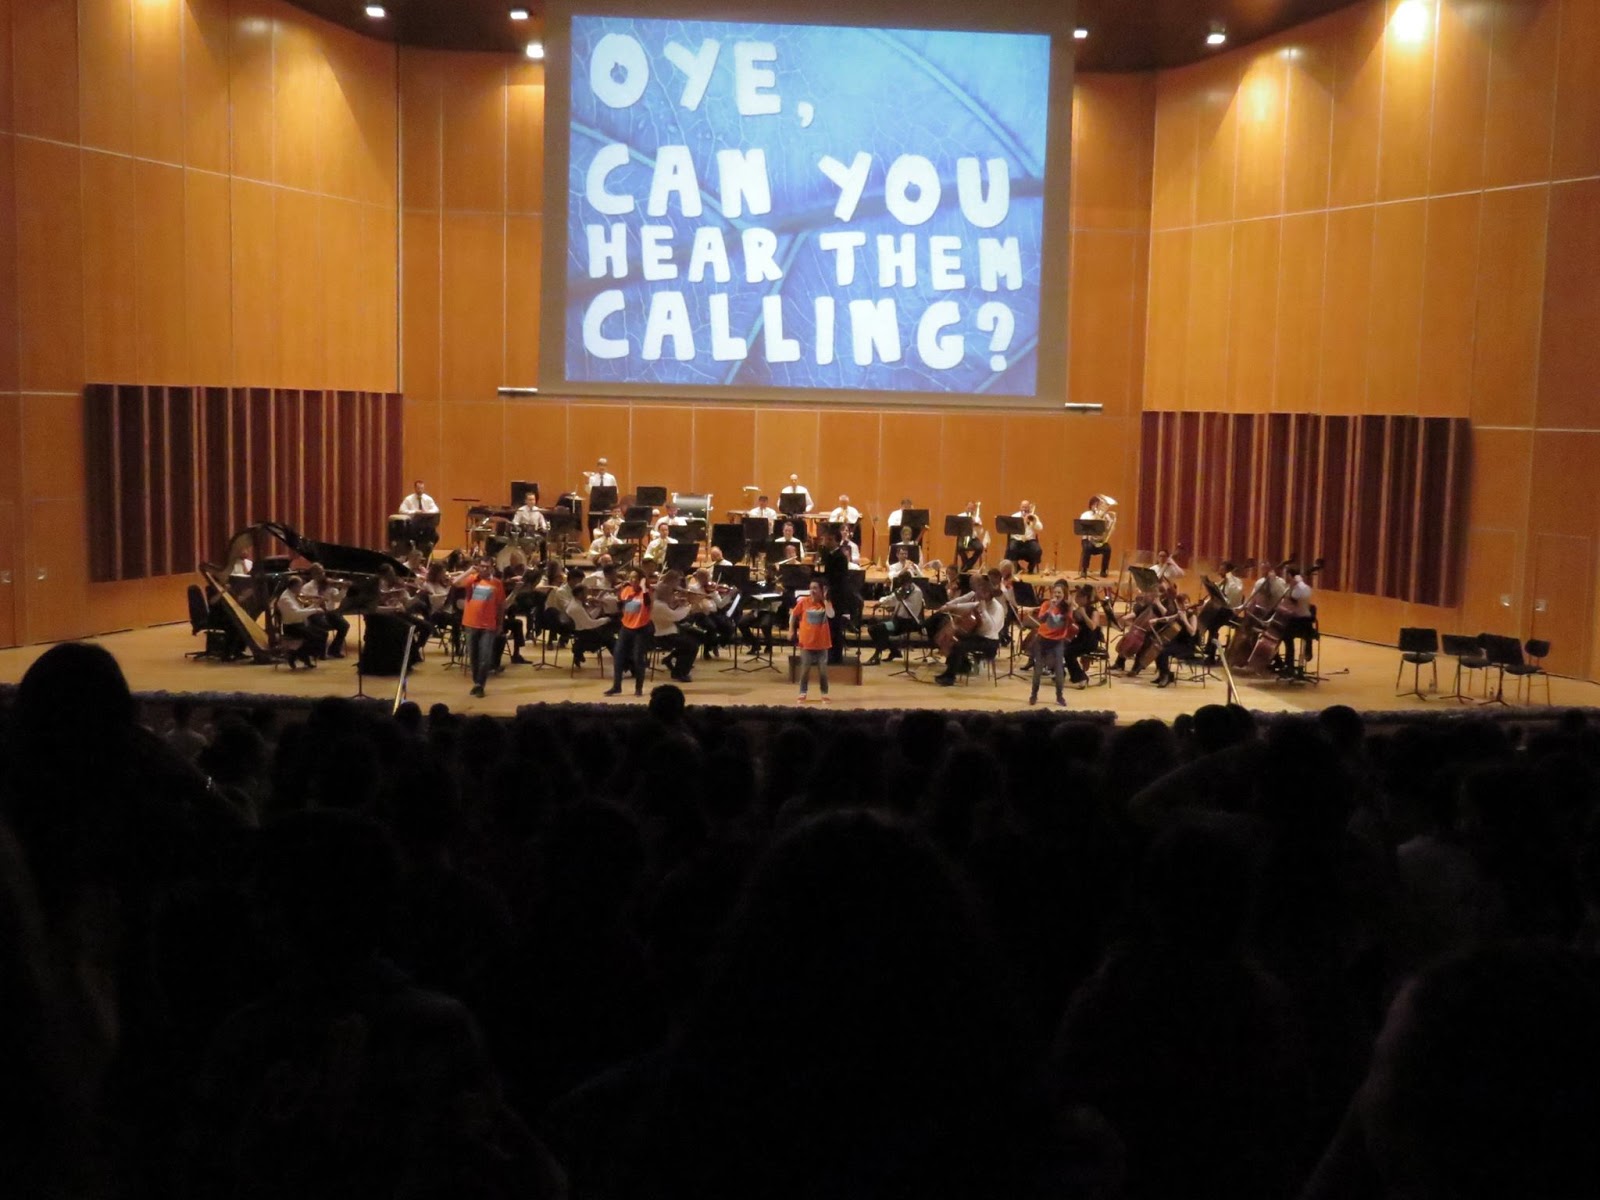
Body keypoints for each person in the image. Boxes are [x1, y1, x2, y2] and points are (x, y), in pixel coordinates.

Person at [933, 572, 1004, 686]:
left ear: (988, 593)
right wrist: (951, 607)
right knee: (955, 638)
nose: (978, 593)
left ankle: (950, 677)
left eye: (981, 591)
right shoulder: (982, 602)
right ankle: (961, 666)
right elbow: (968, 605)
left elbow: (993, 627)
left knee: (959, 645)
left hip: (990, 642)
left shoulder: (997, 608)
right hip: (979, 637)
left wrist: (984, 611)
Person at [1022, 580, 1075, 706]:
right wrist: (1051, 608)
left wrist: (1070, 607)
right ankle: (1033, 695)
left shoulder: (1067, 607)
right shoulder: (1046, 604)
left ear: (1064, 594)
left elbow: (1070, 622)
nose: (1057, 595)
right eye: (1055, 592)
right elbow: (1041, 619)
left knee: (1059, 670)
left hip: (1057, 641)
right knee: (1038, 669)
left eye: (1059, 593)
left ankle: (1059, 696)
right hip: (1042, 640)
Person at [457, 558, 504, 697]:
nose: (484, 569)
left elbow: (501, 606)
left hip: (488, 625)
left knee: (485, 657)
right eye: (482, 566)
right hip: (470, 623)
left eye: (487, 567)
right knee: (473, 657)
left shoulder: (497, 583)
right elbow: (455, 583)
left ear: (492, 568)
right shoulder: (472, 579)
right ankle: (477, 683)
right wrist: (469, 571)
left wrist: (500, 624)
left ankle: (480, 684)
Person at [606, 568, 653, 697]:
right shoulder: (626, 590)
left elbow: (647, 603)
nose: (632, 580)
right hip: (626, 627)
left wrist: (644, 588)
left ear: (641, 579)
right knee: (618, 655)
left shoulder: (647, 592)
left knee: (638, 658)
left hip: (641, 628)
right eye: (630, 577)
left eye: (635, 578)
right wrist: (619, 595)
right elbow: (622, 606)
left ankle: (638, 688)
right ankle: (616, 686)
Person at [866, 570, 926, 665]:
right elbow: (892, 597)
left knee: (880, 629)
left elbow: (912, 611)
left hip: (908, 622)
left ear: (909, 581)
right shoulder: (903, 589)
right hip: (897, 621)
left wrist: (898, 604)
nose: (903, 586)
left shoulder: (917, 592)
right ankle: (894, 650)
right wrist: (881, 602)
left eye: (904, 583)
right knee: (872, 628)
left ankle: (877, 656)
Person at [790, 580, 835, 701]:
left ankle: (824, 693)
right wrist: (791, 630)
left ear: (821, 590)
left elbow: (831, 615)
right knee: (805, 670)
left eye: (815, 588)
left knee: (823, 670)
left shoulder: (825, 604)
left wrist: (825, 600)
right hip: (806, 643)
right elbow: (793, 615)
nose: (812, 591)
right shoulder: (804, 602)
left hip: (822, 643)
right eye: (811, 588)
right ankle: (802, 692)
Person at [297, 564, 350, 658]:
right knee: (323, 626)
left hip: (330, 612)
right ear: (313, 575)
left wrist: (344, 589)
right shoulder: (307, 587)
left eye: (323, 572)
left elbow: (337, 599)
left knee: (344, 625)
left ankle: (334, 650)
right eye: (319, 573)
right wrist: (318, 599)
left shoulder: (329, 584)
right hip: (315, 613)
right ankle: (319, 652)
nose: (322, 575)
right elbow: (305, 602)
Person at [274, 575, 326, 667]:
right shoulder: (286, 599)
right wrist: (315, 610)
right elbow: (297, 613)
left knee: (323, 634)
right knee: (314, 637)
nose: (301, 588)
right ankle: (296, 655)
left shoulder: (293, 595)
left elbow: (301, 611)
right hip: (291, 627)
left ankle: (300, 655)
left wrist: (316, 604)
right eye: (300, 586)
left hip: (299, 624)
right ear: (294, 586)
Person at [1151, 592, 1199, 688]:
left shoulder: (1192, 615)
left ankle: (1166, 676)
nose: (1185, 605)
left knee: (1164, 652)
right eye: (1182, 603)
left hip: (1187, 645)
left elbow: (1192, 632)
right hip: (1178, 642)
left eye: (1187, 603)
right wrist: (1156, 620)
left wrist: (1185, 620)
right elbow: (1169, 618)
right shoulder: (1181, 613)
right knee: (1158, 648)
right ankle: (1164, 674)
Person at [1077, 495, 1115, 577]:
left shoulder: (1105, 516)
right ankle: (1084, 570)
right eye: (1094, 504)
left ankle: (1104, 570)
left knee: (1108, 549)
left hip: (1099, 540)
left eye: (1098, 504)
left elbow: (1108, 528)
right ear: (1091, 505)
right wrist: (1095, 518)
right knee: (1087, 548)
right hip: (1087, 539)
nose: (1096, 506)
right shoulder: (1086, 515)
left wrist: (1110, 523)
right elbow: (1082, 526)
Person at [1008, 501, 1044, 573]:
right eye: (1023, 507)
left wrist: (1034, 522)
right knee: (1011, 549)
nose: (1024, 509)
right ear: (1020, 507)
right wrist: (1022, 522)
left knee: (1037, 550)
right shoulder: (1014, 516)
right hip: (1017, 540)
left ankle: (1031, 569)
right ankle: (1017, 568)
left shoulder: (1034, 517)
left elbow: (1040, 528)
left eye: (1026, 507)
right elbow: (1010, 529)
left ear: (1029, 508)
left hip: (1029, 541)